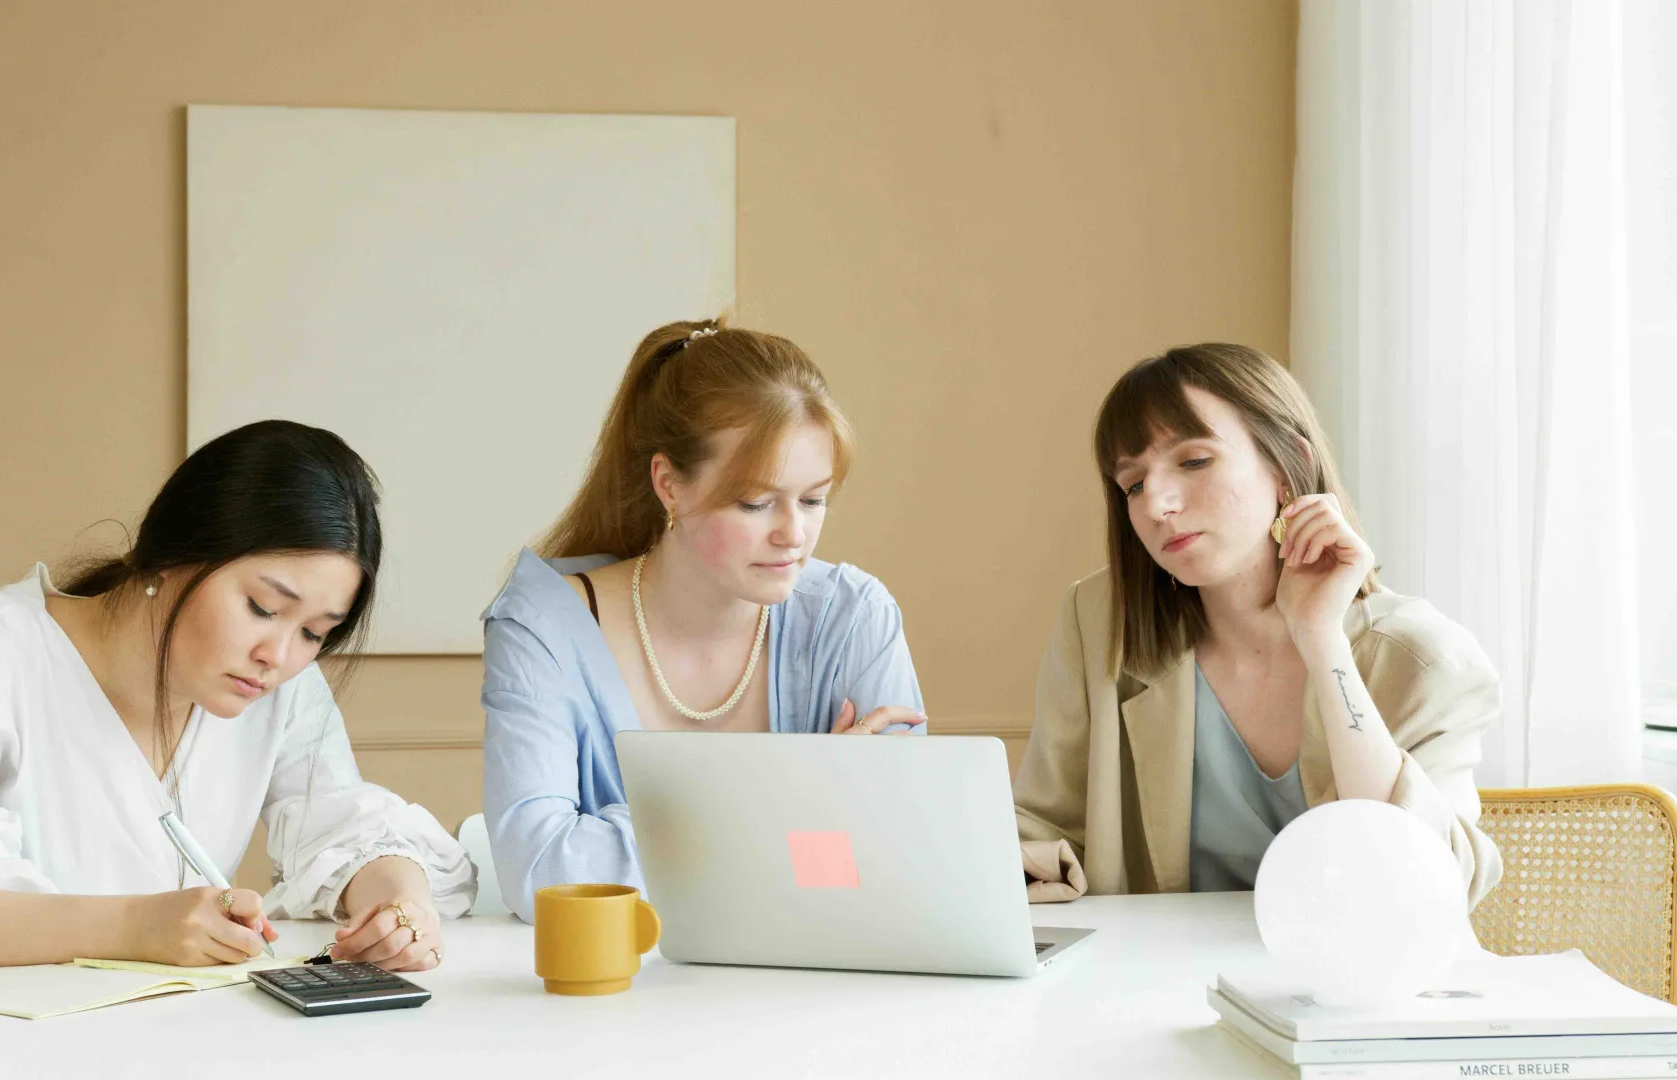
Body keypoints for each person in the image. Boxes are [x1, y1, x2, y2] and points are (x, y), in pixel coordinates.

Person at [0, 420, 473, 973]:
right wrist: (135, 926)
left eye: (315, 633)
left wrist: (401, 908)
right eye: (263, 607)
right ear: (175, 553)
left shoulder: (278, 687)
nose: (280, 655)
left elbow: (348, 829)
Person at [1016, 344, 1502, 905]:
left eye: (1194, 461)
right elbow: (1044, 828)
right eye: (1133, 484)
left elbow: (1425, 881)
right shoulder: (1101, 625)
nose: (1156, 505)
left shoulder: (1423, 659)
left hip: (1354, 961)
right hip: (1150, 962)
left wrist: (1322, 641)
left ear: (1286, 465)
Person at [481, 318, 926, 921]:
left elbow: (898, 857)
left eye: (813, 499)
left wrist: (695, 837)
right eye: (755, 503)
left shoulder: (853, 617)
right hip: (620, 980)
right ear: (669, 485)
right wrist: (798, 795)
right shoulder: (543, 627)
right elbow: (540, 872)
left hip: (821, 972)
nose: (794, 534)